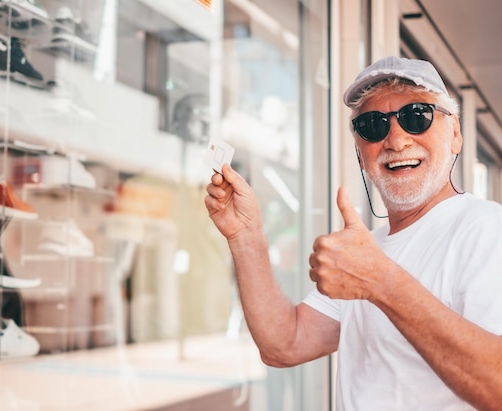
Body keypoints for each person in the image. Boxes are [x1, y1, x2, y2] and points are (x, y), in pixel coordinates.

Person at [204, 55, 502, 411]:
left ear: (455, 134)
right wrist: (246, 236)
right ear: (360, 154)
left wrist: (382, 282)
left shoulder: (486, 229)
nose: (396, 139)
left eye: (416, 117)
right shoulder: (368, 252)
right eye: (373, 125)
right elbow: (284, 344)